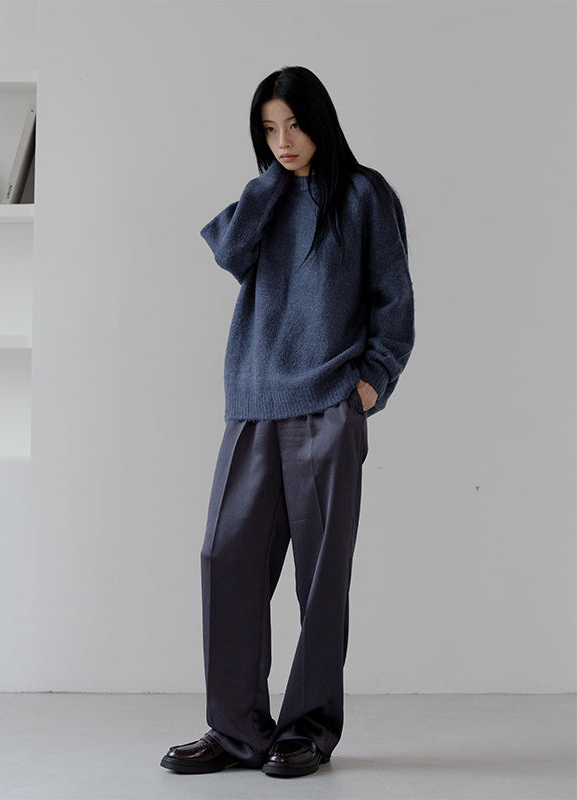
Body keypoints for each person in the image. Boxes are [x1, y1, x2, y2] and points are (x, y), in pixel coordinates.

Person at [160, 65, 415, 779]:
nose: (284, 141)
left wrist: (370, 385)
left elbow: (394, 302)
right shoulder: (263, 197)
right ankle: (236, 729)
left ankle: (308, 730)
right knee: (225, 560)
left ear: (320, 122)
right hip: (252, 404)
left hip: (328, 406)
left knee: (320, 576)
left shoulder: (364, 195)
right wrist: (272, 182)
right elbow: (228, 253)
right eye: (269, 129)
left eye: (295, 125)